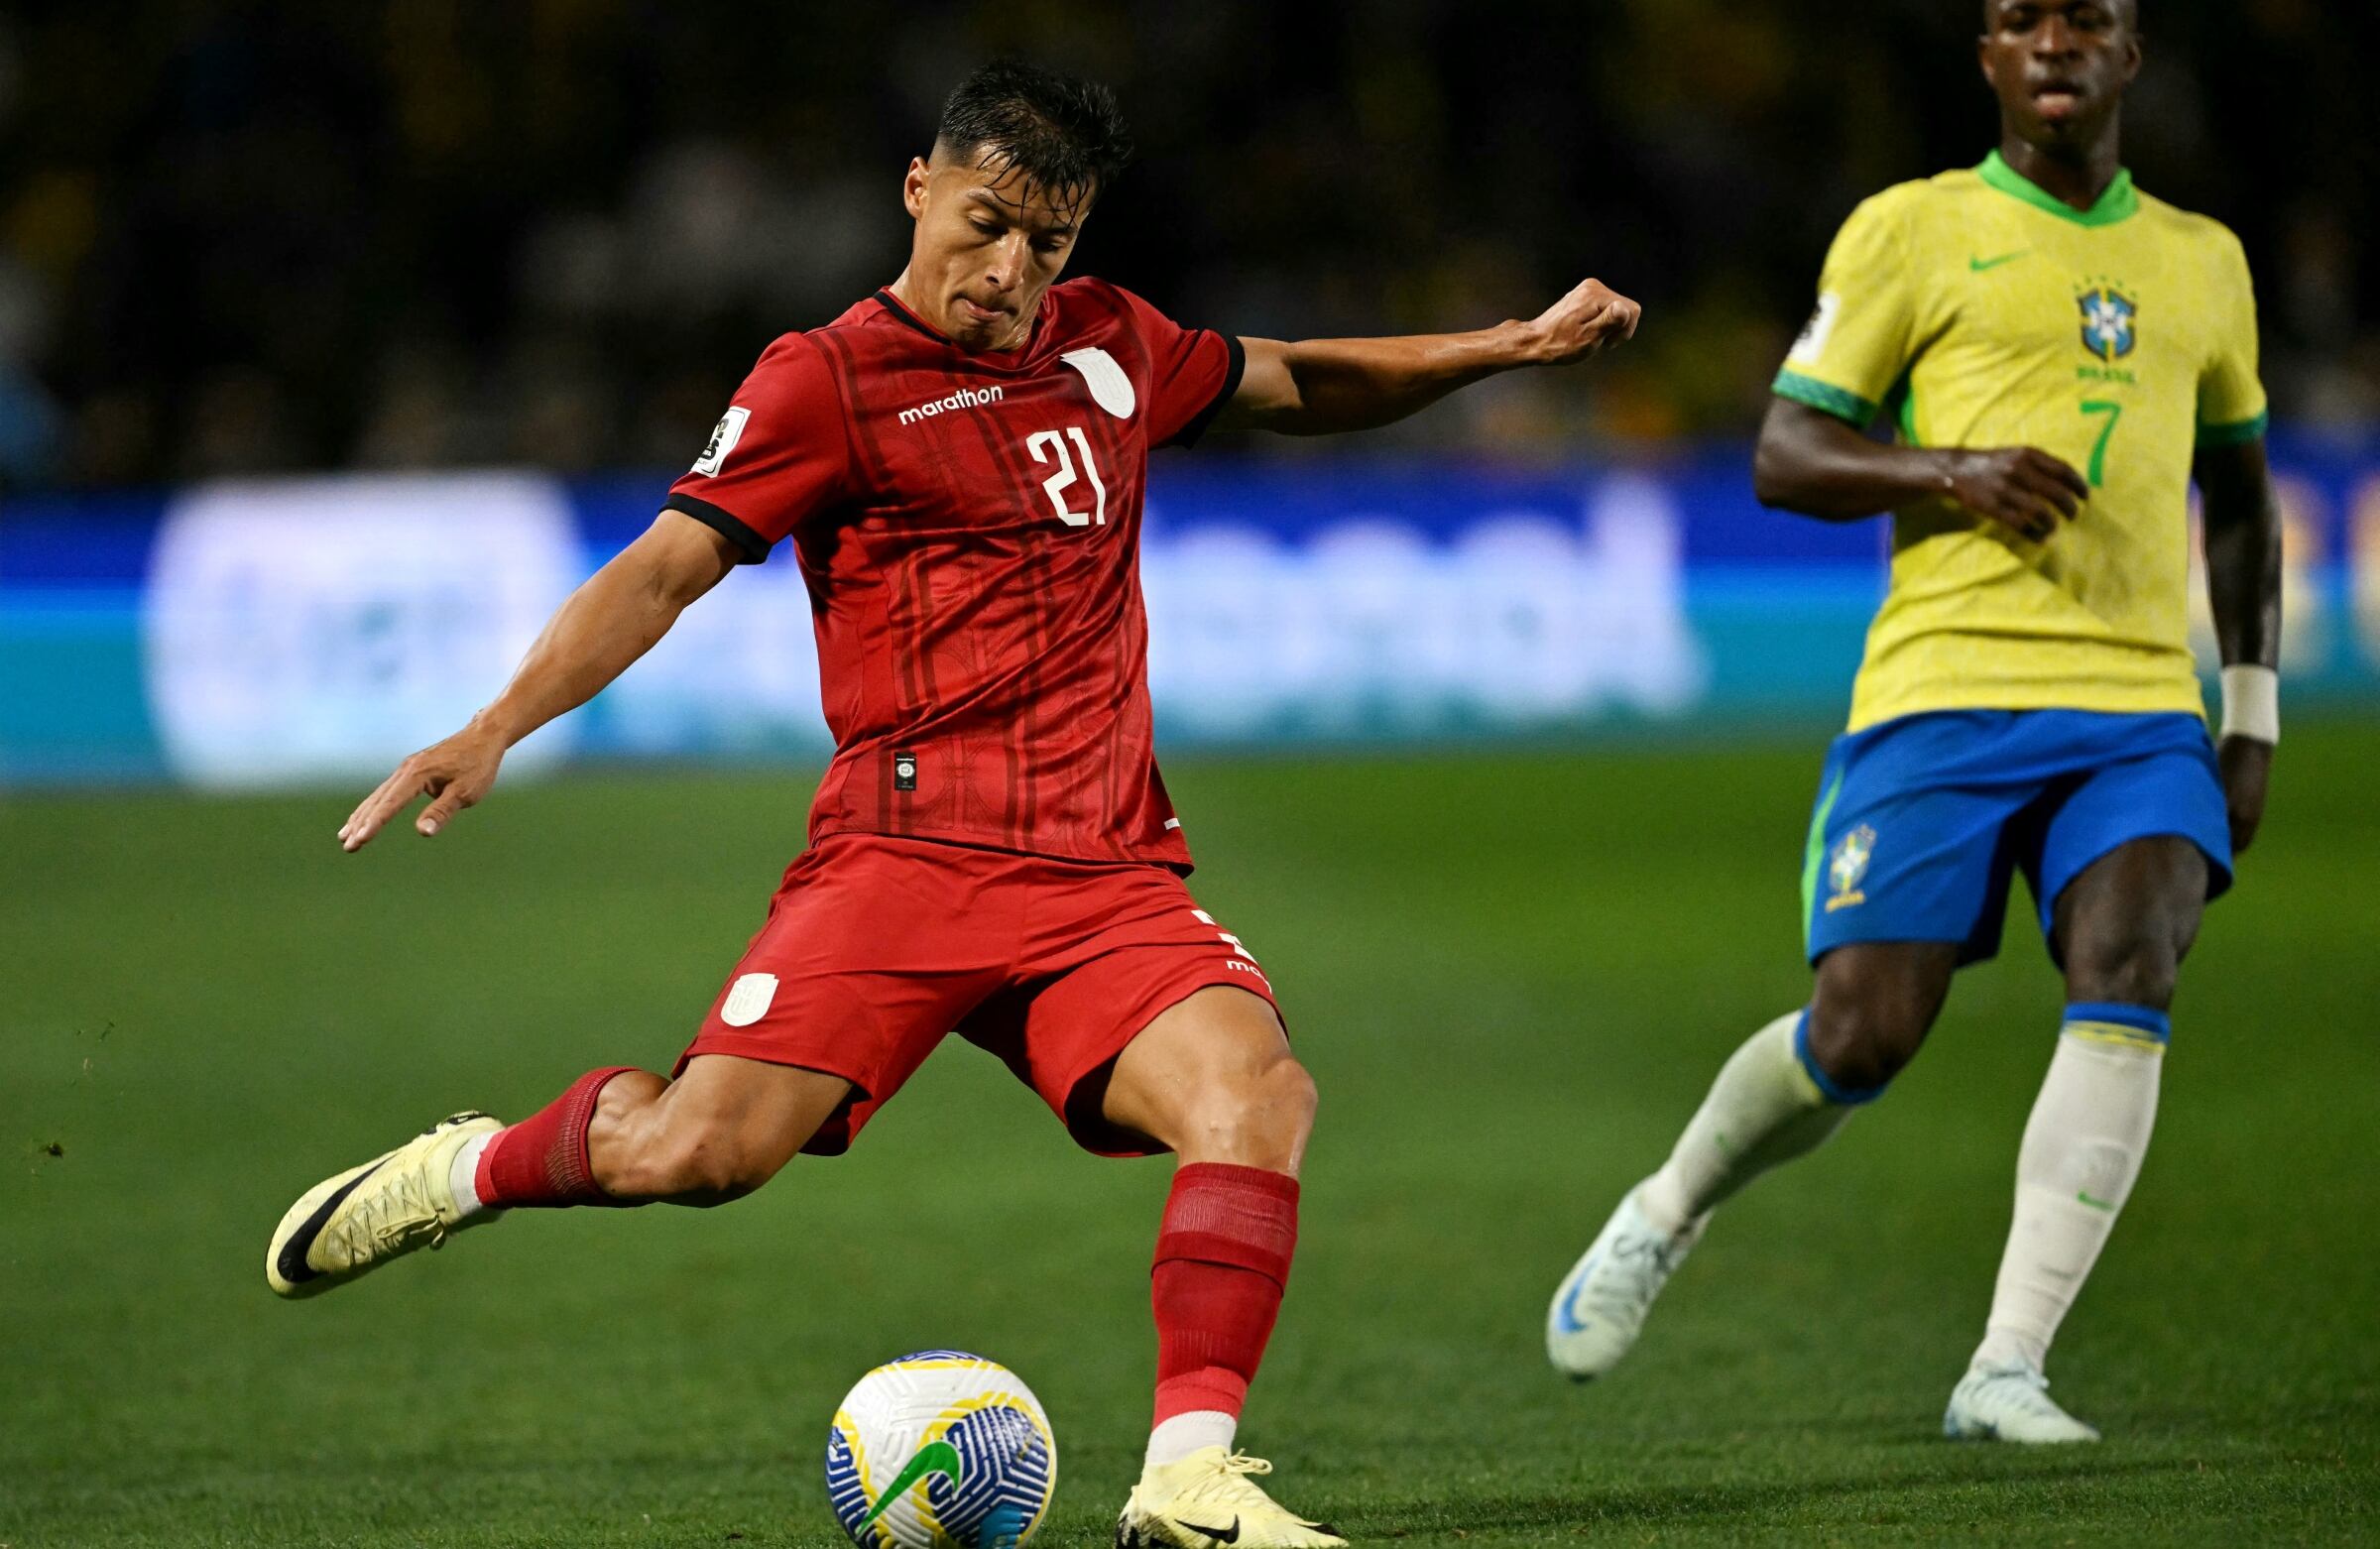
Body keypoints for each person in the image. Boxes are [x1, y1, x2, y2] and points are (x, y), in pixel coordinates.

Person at [269, 60, 1640, 1548]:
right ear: (919, 189)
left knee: (1259, 1094)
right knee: (698, 1155)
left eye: (1045, 244)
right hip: (902, 861)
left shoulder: (1110, 342)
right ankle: (470, 1164)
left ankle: (1189, 1478)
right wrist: (494, 726)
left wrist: (1509, 345)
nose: (1008, 271)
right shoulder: (825, 377)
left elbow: (1296, 375)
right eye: (985, 224)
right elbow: (665, 565)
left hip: (1105, 875)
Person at [1546, 0, 2279, 1445]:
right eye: (2021, 19)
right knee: (1864, 1032)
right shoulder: (1910, 228)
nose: (2055, 42)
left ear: (2135, 54)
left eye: (2090, 20)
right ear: (1990, 59)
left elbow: (2243, 496)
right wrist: (1950, 470)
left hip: (2136, 698)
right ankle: (1667, 1206)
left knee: (2134, 954)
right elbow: (1784, 449)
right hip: (1941, 687)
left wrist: (2246, 712)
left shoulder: (2208, 261)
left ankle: (2008, 1362)